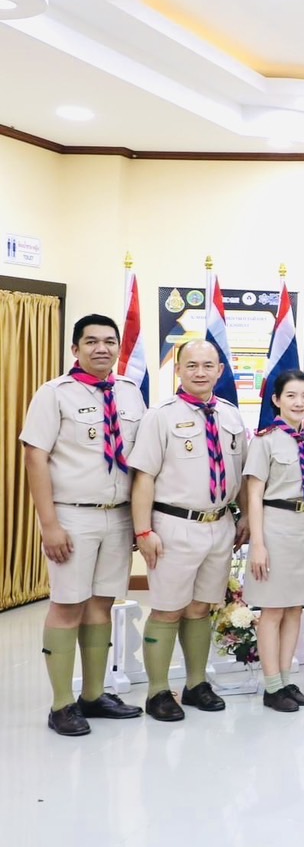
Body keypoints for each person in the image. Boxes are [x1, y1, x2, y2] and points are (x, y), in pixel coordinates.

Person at [21, 314, 147, 736]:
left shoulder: (130, 393)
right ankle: (61, 704)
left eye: (109, 341)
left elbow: (141, 460)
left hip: (119, 515)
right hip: (72, 514)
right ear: (75, 349)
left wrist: (139, 521)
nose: (101, 348)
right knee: (67, 605)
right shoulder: (54, 394)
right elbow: (35, 457)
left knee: (101, 605)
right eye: (91, 341)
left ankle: (93, 695)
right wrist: (49, 524)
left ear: (118, 348)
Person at [128, 340, 249, 722]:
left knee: (200, 608)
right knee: (167, 609)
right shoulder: (160, 416)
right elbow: (143, 477)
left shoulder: (231, 416)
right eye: (191, 365)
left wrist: (245, 515)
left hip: (219, 525)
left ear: (220, 371)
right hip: (174, 525)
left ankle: (196, 684)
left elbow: (242, 475)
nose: (200, 372)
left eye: (208, 365)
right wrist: (143, 531)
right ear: (178, 369)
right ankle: (157, 691)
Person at [241, 368, 304, 713]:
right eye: (291, 395)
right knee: (273, 609)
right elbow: (254, 494)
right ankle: (272, 685)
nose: (299, 402)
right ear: (276, 400)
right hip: (275, 528)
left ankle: (287, 679)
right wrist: (258, 544)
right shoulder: (264, 441)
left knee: (295, 608)